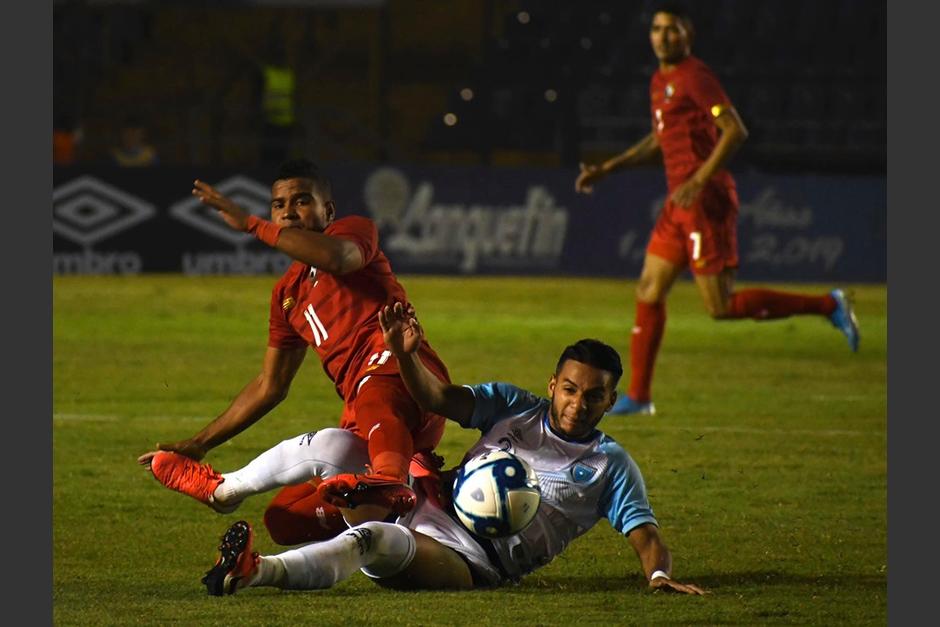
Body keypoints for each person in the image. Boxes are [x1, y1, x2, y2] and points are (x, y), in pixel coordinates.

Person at [198, 302, 706, 595]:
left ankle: (255, 571)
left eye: (594, 395)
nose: (578, 403)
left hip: (471, 559)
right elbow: (436, 398)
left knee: (372, 541)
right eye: (571, 389)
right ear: (553, 384)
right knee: (337, 443)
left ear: (611, 400)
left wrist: (659, 575)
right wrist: (404, 355)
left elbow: (647, 537)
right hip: (426, 499)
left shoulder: (608, 465)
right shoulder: (512, 405)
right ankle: (225, 487)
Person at [574, 4, 860, 415]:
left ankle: (829, 305)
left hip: (705, 200)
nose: (662, 37)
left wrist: (698, 179)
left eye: (671, 29)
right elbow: (659, 139)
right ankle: (639, 396)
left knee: (720, 306)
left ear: (688, 33)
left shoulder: (695, 76)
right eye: (656, 29)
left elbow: (734, 130)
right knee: (649, 290)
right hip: (680, 201)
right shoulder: (660, 80)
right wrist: (607, 168)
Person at [138, 159, 452, 529]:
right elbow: (269, 386)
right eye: (278, 205)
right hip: (369, 419)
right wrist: (201, 442)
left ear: (328, 210)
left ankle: (390, 481)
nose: (288, 212)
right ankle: (422, 497)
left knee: (374, 387)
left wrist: (253, 225)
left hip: (408, 377)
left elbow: (337, 258)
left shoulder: (354, 231)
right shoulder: (287, 294)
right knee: (285, 519)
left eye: (301, 201)